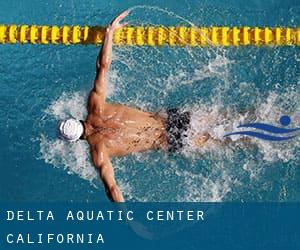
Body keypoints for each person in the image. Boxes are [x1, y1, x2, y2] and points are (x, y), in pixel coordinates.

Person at [58, 11, 210, 202]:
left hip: (171, 140)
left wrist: (128, 221)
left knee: (227, 141)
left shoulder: (99, 152)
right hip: (172, 118)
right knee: (226, 118)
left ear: (76, 140)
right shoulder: (95, 105)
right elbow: (103, 66)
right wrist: (109, 33)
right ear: (76, 119)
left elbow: (112, 189)